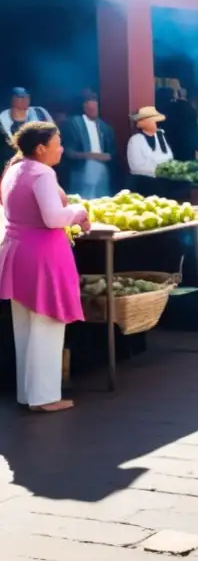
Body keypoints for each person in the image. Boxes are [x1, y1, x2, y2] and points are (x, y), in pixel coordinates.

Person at [0, 122, 90, 412]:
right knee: (48, 324)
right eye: (57, 142)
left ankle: (29, 394)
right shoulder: (42, 173)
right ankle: (45, 398)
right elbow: (53, 218)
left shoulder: (14, 169)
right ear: (41, 148)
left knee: (25, 327)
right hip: (42, 257)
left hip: (16, 252)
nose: (61, 148)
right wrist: (79, 212)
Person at [59, 92, 116, 198]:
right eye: (90, 107)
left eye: (95, 107)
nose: (93, 110)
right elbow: (68, 152)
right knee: (82, 198)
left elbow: (111, 152)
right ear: (84, 107)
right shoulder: (73, 123)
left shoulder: (104, 127)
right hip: (80, 170)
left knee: (101, 198)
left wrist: (106, 157)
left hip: (101, 170)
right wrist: (91, 155)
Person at [127, 106, 174, 177]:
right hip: (143, 179)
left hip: (163, 178)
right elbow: (135, 167)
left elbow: (169, 156)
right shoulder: (135, 140)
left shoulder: (160, 136)